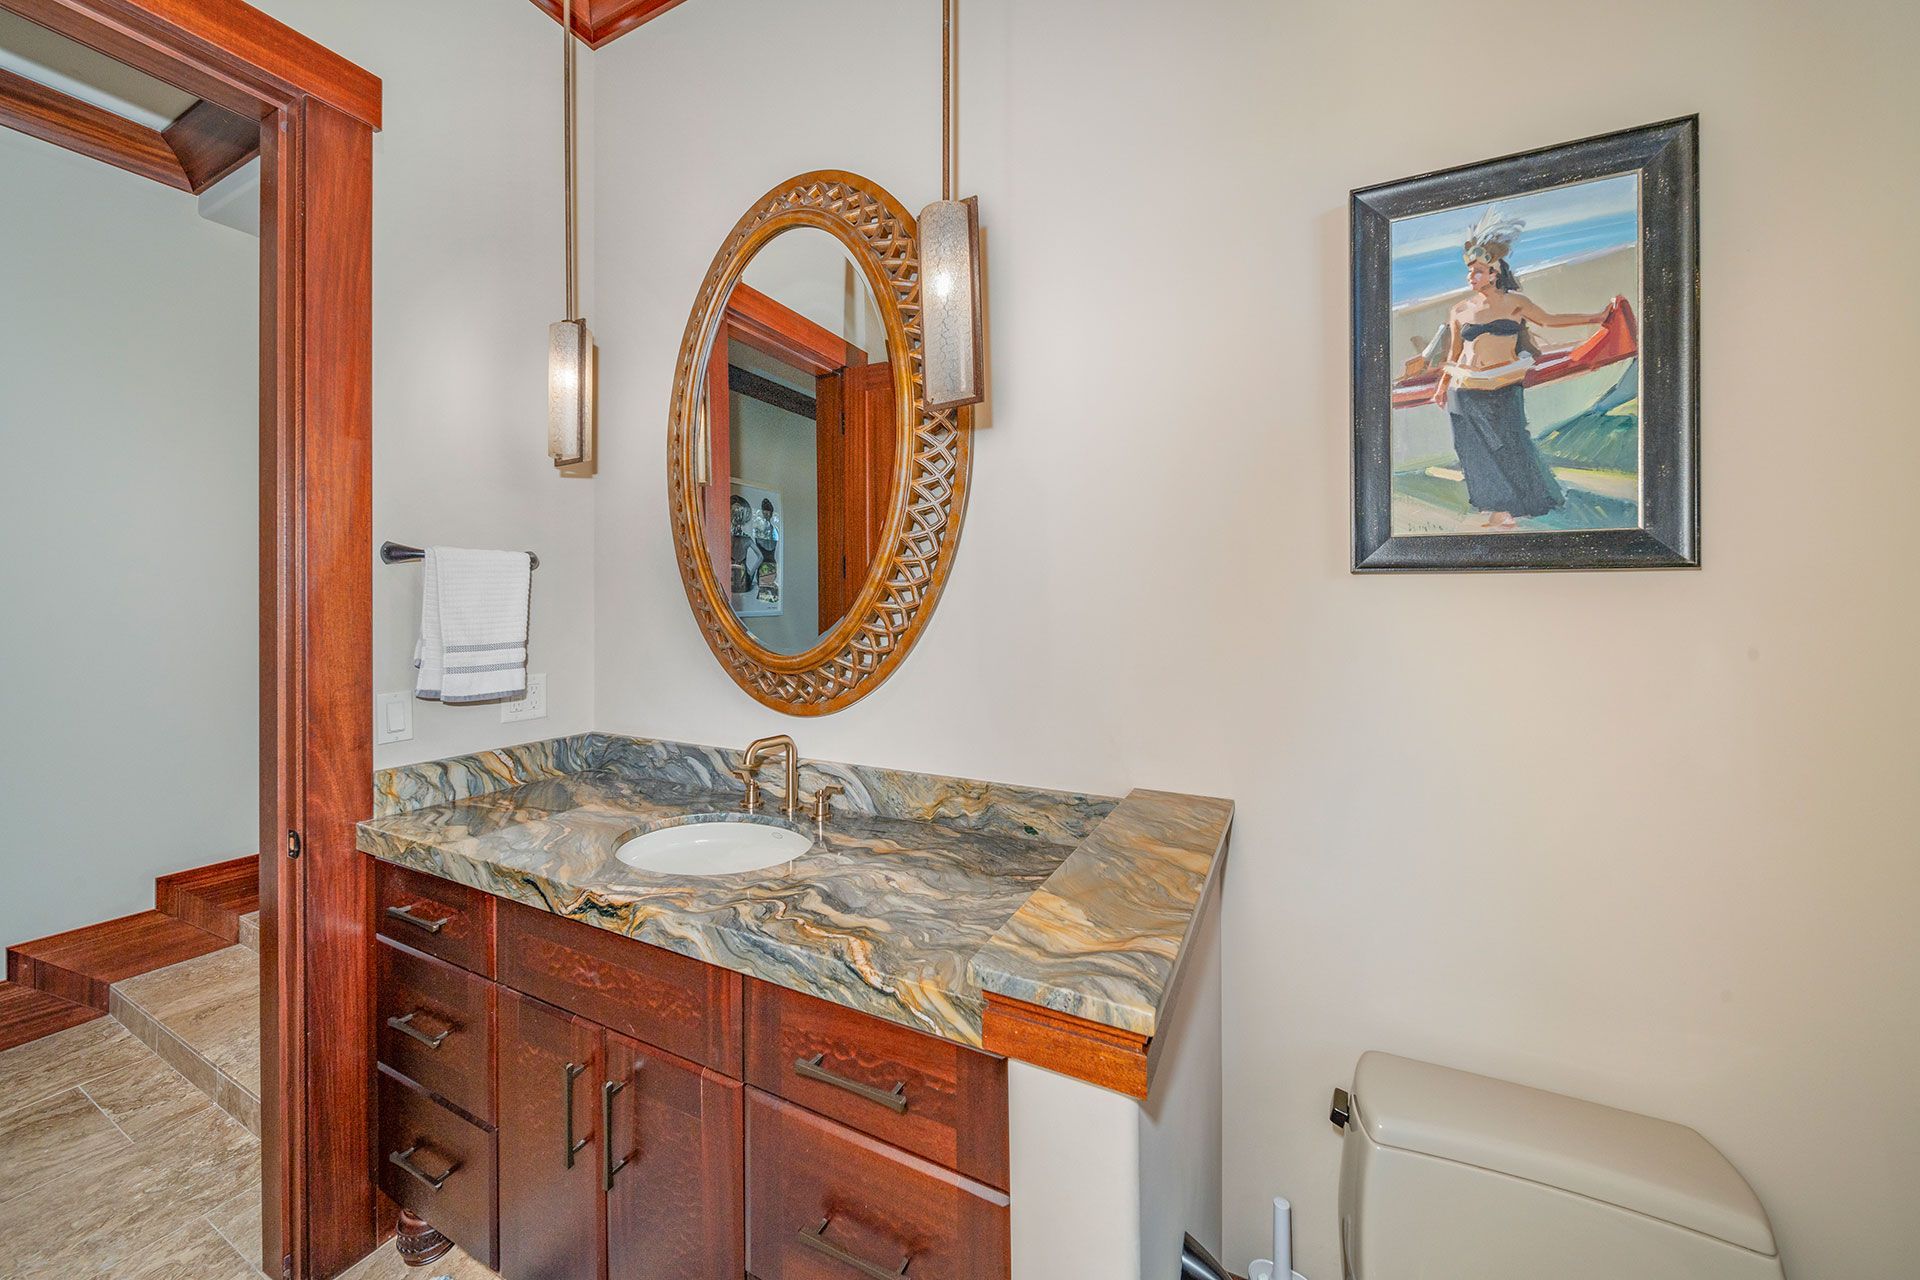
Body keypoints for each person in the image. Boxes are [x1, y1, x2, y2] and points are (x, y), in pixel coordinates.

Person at [1433, 209, 1611, 529]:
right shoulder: (1459, 310)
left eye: (1476, 272)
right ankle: (1499, 510)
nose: (1470, 278)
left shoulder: (1515, 302)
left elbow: (1550, 321)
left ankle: (1532, 500)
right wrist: (1441, 385)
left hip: (1503, 383)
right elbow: (1455, 352)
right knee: (1474, 451)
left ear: (1493, 272)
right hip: (1466, 388)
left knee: (1513, 442)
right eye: (1469, 272)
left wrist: (1596, 318)